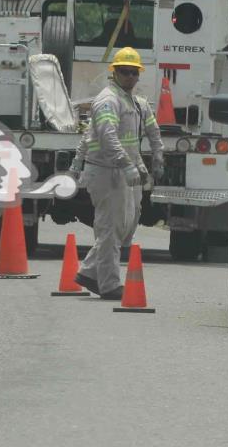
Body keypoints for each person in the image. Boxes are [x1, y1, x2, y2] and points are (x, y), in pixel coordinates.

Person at [70, 47, 163, 299]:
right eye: (124, 72)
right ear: (115, 72)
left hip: (123, 172)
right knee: (110, 227)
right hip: (106, 171)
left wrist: (152, 159)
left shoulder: (132, 100)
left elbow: (145, 135)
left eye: (134, 73)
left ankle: (89, 272)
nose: (130, 77)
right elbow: (107, 136)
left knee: (125, 225)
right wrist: (127, 164)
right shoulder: (108, 100)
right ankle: (109, 284)